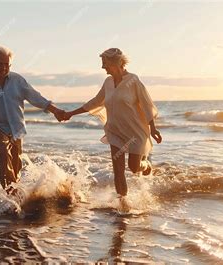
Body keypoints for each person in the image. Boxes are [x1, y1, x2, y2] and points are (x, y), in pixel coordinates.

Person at [61, 48, 162, 208]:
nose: (103, 67)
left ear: (116, 63)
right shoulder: (108, 83)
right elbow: (95, 102)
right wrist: (72, 113)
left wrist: (153, 128)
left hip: (135, 132)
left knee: (134, 168)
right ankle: (123, 203)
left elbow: (146, 104)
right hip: (115, 130)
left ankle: (146, 165)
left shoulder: (133, 81)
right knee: (118, 169)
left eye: (105, 63)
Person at [0, 46, 65, 194]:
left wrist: (55, 110)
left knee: (16, 162)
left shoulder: (17, 80)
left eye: (7, 64)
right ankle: (11, 193)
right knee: (4, 155)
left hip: (16, 128)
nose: (4, 67)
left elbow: (35, 97)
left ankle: (16, 192)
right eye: (0, 64)